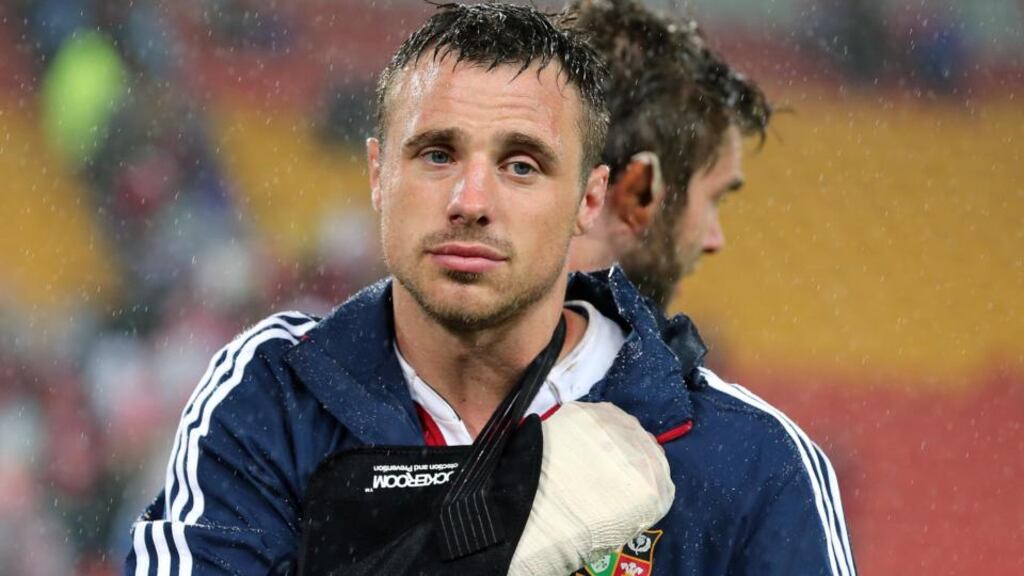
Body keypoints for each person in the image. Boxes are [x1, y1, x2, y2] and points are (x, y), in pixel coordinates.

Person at [126, 3, 855, 575]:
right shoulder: (274, 399)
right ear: (378, 174)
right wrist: (513, 534)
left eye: (522, 165)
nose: (471, 199)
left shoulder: (752, 463)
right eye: (437, 153)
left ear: (590, 200)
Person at [567, 0, 772, 310]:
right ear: (639, 192)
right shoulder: (634, 357)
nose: (714, 240)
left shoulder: (477, 337)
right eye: (715, 199)